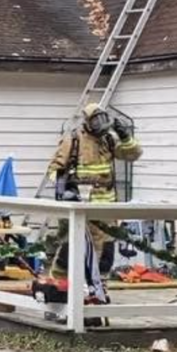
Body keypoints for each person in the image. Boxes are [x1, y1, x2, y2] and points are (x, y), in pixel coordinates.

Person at [46, 102, 142, 280]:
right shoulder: (74, 140)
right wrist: (65, 189)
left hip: (106, 210)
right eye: (96, 120)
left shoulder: (109, 140)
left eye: (103, 119)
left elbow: (133, 154)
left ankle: (98, 290)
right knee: (70, 253)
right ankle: (58, 288)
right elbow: (54, 169)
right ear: (87, 122)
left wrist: (125, 137)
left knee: (105, 255)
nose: (101, 124)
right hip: (80, 210)